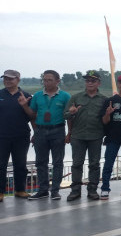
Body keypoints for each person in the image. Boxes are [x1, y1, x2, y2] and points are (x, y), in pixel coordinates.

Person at [22, 71, 70, 200]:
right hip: (41, 131)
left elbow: (69, 116)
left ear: (57, 81)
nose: (46, 82)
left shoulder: (65, 96)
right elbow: (32, 115)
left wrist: (70, 133)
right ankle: (43, 190)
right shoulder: (37, 96)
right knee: (41, 162)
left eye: (49, 80)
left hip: (58, 131)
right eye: (44, 80)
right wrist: (25, 106)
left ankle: (55, 190)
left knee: (58, 162)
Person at [64, 70, 107, 201]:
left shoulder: (104, 99)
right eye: (87, 80)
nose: (90, 83)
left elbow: (107, 119)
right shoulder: (76, 98)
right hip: (78, 136)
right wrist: (71, 112)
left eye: (93, 81)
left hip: (96, 136)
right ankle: (75, 190)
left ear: (98, 83)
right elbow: (65, 115)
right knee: (77, 164)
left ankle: (92, 189)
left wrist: (107, 135)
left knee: (94, 164)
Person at [0, 70, 32, 202]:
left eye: (11, 79)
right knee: (1, 165)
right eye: (5, 78)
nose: (7, 81)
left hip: (21, 136)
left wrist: (24, 105)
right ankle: (1, 192)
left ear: (18, 80)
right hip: (2, 136)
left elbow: (32, 116)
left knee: (20, 164)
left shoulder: (26, 95)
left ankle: (20, 190)